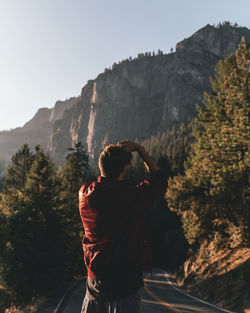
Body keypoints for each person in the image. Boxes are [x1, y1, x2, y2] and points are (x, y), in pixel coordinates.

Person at [79, 140, 167, 313]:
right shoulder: (127, 194)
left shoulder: (84, 192)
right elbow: (159, 183)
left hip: (93, 281)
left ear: (101, 165)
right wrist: (141, 150)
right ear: (125, 167)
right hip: (122, 282)